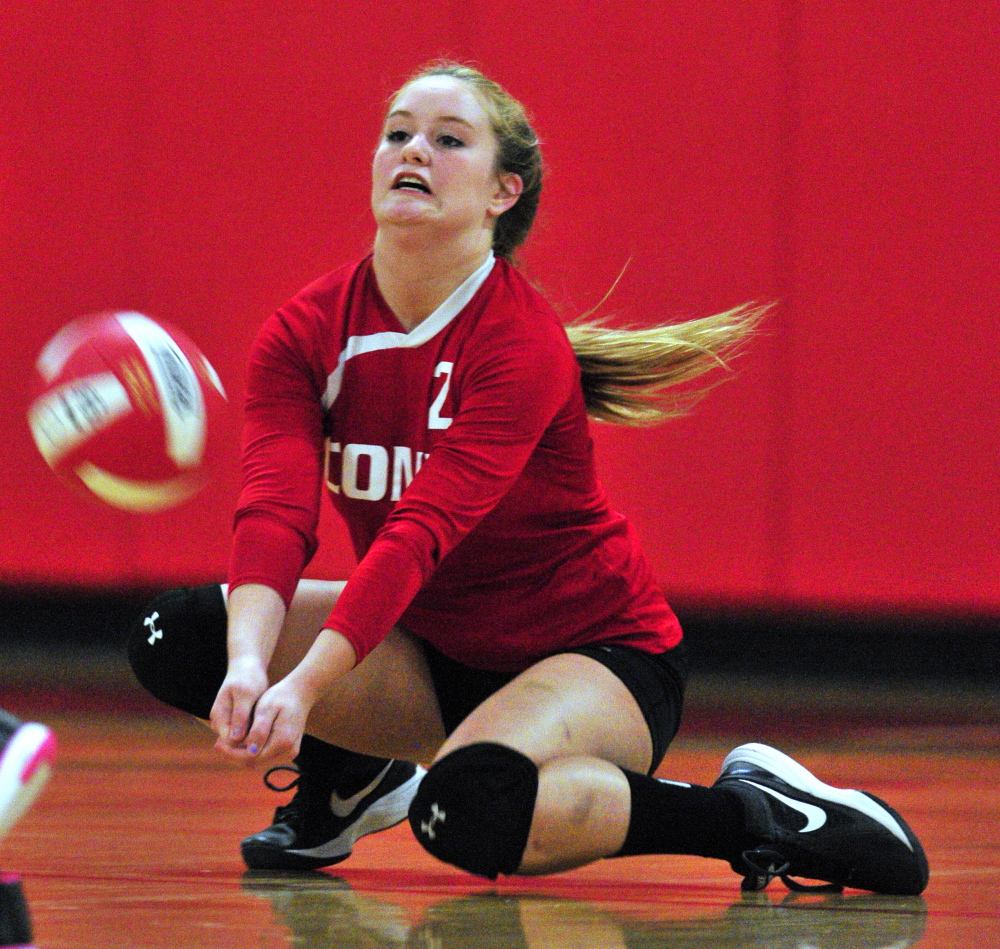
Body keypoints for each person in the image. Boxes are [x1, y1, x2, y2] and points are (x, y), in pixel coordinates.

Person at [129, 61, 928, 895]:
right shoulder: (306, 331)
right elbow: (274, 514)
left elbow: (417, 536)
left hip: (596, 657)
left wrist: (308, 683)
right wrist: (252, 665)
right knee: (175, 635)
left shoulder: (517, 342)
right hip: (430, 653)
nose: (413, 151)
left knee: (467, 810)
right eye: (398, 132)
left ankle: (762, 817)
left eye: (448, 140)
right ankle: (350, 779)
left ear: (502, 192)